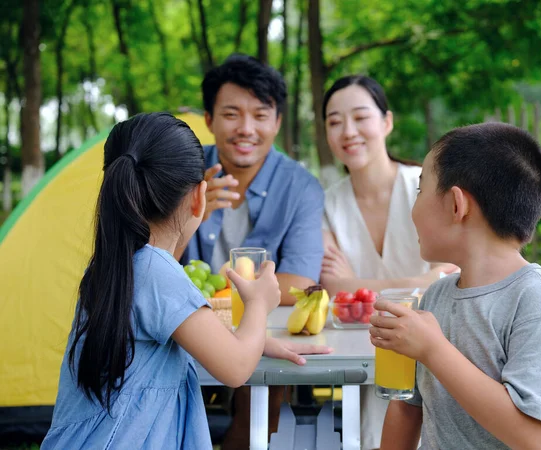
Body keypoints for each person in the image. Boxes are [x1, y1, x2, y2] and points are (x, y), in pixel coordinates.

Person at [41, 113, 330, 450]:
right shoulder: (157, 273)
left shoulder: (121, 264)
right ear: (198, 198)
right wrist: (258, 304)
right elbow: (236, 368)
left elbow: (174, 326)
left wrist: (251, 339)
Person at [371, 122, 541, 449]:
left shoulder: (537, 300)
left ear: (456, 205)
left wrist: (434, 350)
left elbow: (534, 439)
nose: (413, 209)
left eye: (420, 191)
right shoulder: (436, 296)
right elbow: (407, 409)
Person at [175, 54, 325, 449]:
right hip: (180, 326)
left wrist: (224, 306)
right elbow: (151, 263)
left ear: (276, 122)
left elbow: (298, 283)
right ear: (208, 119)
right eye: (231, 114)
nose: (246, 129)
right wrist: (189, 215)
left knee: (266, 376)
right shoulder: (181, 176)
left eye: (260, 115)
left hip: (257, 328)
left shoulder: (301, 188)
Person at [320, 75, 457, 449]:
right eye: (334, 121)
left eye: (360, 117)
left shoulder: (424, 186)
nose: (348, 131)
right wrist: (421, 280)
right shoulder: (328, 203)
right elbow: (332, 288)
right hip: (366, 356)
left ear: (387, 122)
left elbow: (454, 277)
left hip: (439, 354)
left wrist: (358, 286)